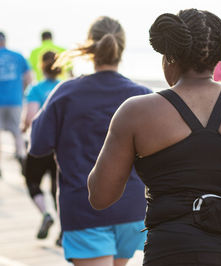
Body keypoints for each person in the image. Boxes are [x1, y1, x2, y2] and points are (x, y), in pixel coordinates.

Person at [88, 9, 221, 266]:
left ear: (169, 57)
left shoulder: (135, 112)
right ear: (217, 58)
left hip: (170, 251)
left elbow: (101, 197)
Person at [29, 17, 151, 266]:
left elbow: (38, 144)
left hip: (84, 209)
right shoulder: (143, 96)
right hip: (132, 209)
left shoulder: (65, 93)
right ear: (121, 49)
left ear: (90, 47)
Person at [22, 51, 61, 242]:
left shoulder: (35, 89)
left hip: (40, 145)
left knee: (32, 181)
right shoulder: (64, 88)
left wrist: (23, 127)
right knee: (59, 189)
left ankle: (46, 214)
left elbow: (31, 118)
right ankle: (64, 229)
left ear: (41, 67)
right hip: (61, 146)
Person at [0, 31, 32, 178]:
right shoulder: (17, 56)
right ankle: (21, 158)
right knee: (16, 132)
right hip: (14, 100)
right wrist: (22, 92)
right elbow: (28, 77)